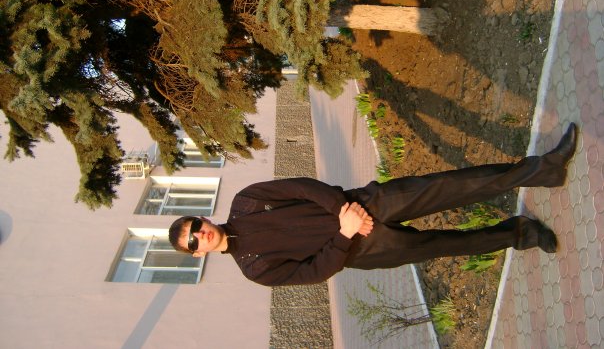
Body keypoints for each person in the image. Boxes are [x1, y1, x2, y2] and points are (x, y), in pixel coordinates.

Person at [169, 124, 577, 287]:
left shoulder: (246, 202)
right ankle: (521, 233)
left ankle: (545, 169)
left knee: (453, 187)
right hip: (365, 250)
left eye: (194, 226)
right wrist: (345, 236)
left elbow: (302, 187)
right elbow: (314, 271)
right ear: (197, 253)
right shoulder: (255, 269)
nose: (199, 235)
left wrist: (344, 211)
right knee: (449, 244)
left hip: (366, 204)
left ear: (202, 217)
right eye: (193, 242)